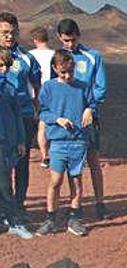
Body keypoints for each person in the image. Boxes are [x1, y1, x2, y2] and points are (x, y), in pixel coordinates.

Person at [54, 19, 109, 220]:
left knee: (94, 160)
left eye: (73, 39)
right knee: (70, 165)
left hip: (88, 117)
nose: (70, 44)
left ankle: (100, 203)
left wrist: (90, 107)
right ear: (59, 38)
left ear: (79, 35)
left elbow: (100, 87)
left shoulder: (92, 57)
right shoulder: (57, 58)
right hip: (65, 121)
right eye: (66, 40)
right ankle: (74, 204)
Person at [35, 50, 93, 237]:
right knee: (55, 180)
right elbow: (42, 112)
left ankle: (74, 218)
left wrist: (89, 110)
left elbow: (92, 104)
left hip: (78, 140)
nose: (67, 76)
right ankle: (50, 218)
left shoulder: (82, 87)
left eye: (70, 72)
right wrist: (57, 119)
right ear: (55, 69)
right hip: (58, 141)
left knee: (76, 180)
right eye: (63, 73)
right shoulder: (48, 87)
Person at [0, 12, 40, 214]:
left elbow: (37, 84)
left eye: (13, 32)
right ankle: (4, 208)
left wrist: (36, 108)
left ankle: (19, 204)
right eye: (5, 32)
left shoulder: (27, 58)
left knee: (21, 163)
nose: (9, 36)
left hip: (22, 117)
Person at [0, 47, 31, 239]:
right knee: (3, 184)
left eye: (6, 66)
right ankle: (13, 221)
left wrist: (21, 140)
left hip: (9, 142)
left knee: (5, 181)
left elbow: (18, 116)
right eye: (0, 65)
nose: (4, 69)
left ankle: (10, 220)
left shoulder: (10, 89)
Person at [28, 26, 53, 170]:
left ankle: (44, 155)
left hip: (34, 93)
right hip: (52, 93)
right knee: (49, 124)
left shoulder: (29, 55)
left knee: (41, 126)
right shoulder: (55, 54)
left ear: (35, 39)